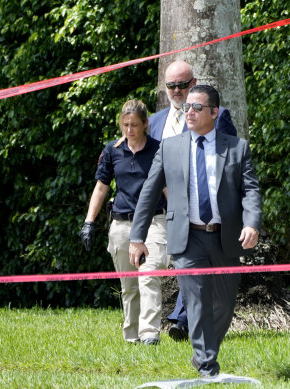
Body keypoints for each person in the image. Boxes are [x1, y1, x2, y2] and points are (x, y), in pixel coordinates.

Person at [129, 85, 261, 377]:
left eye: (197, 107)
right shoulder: (171, 146)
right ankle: (207, 366)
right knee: (197, 301)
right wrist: (137, 238)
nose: (189, 111)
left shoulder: (237, 147)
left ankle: (204, 352)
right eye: (187, 106)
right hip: (187, 238)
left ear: (214, 112)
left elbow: (250, 190)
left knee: (225, 305)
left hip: (225, 237)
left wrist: (251, 223)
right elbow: (149, 192)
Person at [148, 60, 238, 342]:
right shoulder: (154, 122)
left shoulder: (218, 116)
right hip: (165, 211)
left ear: (194, 82)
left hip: (203, 211)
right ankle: (178, 321)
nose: (177, 91)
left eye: (183, 85)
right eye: (171, 86)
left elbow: (229, 158)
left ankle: (183, 321)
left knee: (193, 265)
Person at [80, 99, 168, 345]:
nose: (129, 130)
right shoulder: (112, 150)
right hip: (121, 223)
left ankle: (150, 333)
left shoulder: (158, 149)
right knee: (129, 285)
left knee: (149, 273)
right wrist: (89, 222)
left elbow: (167, 188)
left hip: (154, 221)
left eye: (135, 125)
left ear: (145, 124)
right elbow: (101, 188)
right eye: (125, 125)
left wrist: (181, 219)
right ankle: (132, 337)